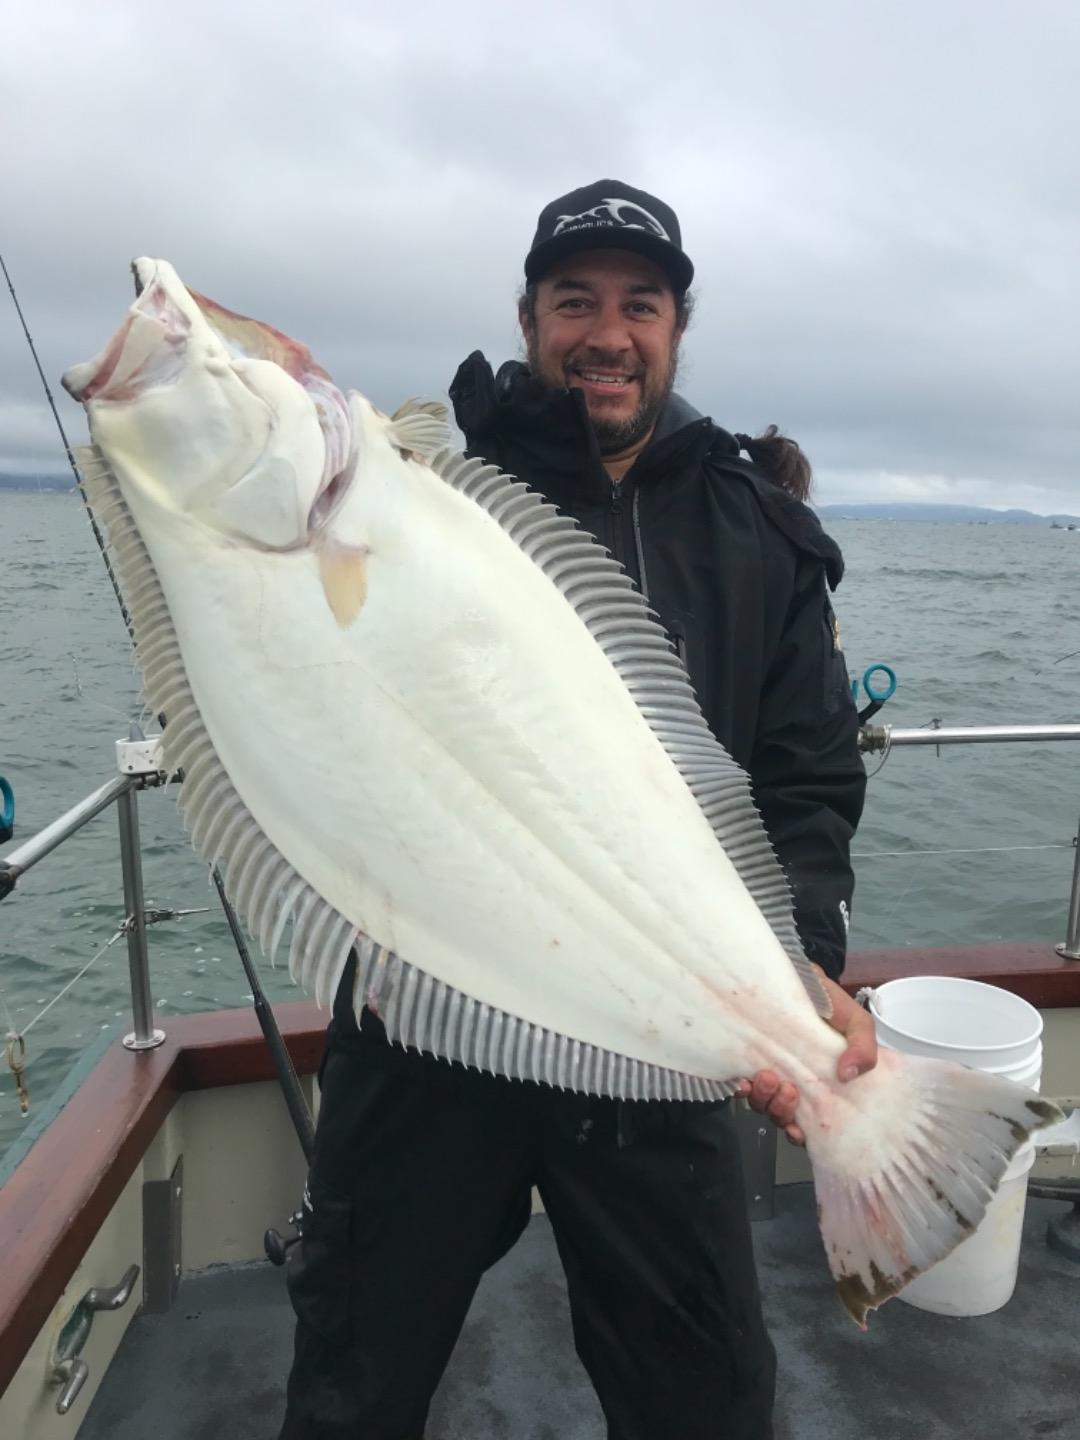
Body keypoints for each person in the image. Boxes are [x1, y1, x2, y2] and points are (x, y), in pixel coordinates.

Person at [278, 180, 873, 1440]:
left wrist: (802, 959)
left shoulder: (757, 528)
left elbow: (807, 773)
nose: (607, 334)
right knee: (353, 1371)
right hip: (428, 1013)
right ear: (529, 317)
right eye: (575, 302)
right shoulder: (416, 489)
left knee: (703, 1393)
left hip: (649, 1030)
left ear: (677, 328)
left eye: (639, 305)